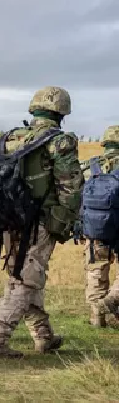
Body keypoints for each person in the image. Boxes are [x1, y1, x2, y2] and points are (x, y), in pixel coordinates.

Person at [0, 86, 83, 358]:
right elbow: (70, 188)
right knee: (26, 280)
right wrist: (65, 221)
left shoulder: (10, 137)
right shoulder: (60, 142)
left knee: (24, 275)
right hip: (38, 222)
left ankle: (43, 336)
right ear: (62, 112)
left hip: (7, 218)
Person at [81, 125, 119, 327]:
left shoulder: (92, 165)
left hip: (95, 228)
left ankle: (97, 318)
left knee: (96, 270)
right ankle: (111, 300)